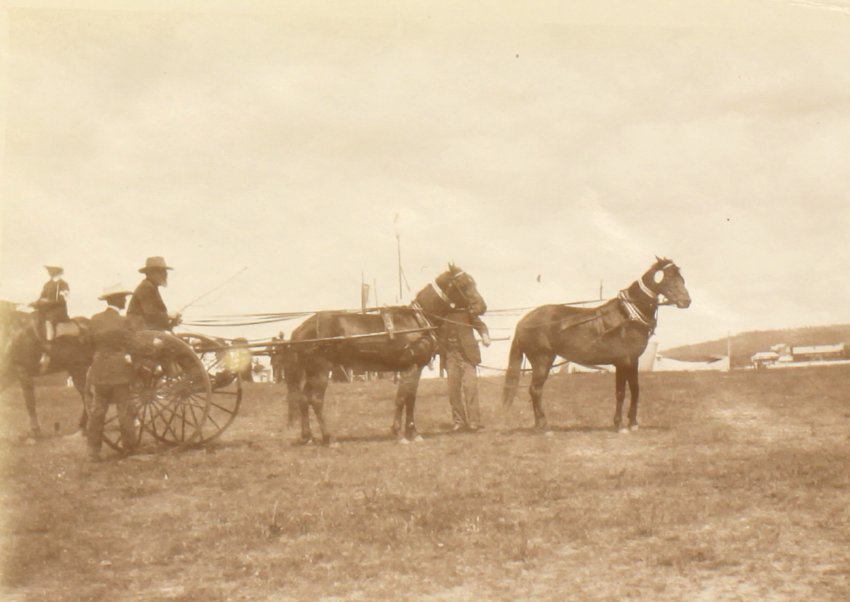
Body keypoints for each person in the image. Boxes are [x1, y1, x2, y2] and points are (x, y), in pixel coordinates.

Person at [86, 284, 137, 462]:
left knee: (98, 411)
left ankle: (93, 451)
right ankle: (129, 449)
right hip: (119, 372)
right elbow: (131, 344)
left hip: (99, 371)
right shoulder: (124, 321)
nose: (125, 300)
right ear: (117, 299)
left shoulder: (94, 320)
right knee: (124, 409)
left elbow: (90, 344)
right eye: (123, 297)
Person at [438, 308, 491, 432]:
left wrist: (485, 335)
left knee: (470, 388)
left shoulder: (465, 310)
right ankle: (459, 422)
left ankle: (474, 423)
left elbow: (480, 325)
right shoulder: (440, 313)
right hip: (450, 355)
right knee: (453, 391)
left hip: (467, 356)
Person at [127, 256, 181, 331]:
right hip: (142, 333)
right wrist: (169, 315)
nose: (165, 275)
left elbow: (156, 320)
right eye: (161, 272)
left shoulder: (151, 287)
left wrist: (172, 323)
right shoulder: (146, 287)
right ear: (150, 273)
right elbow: (151, 314)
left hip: (148, 332)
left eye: (165, 272)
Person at [33, 265, 70, 371]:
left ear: (58, 273)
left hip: (58, 310)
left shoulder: (63, 284)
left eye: (53, 272)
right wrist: (37, 303)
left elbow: (63, 300)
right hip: (46, 309)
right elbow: (42, 297)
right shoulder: (47, 284)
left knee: (49, 321)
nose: (51, 274)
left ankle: (48, 349)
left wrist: (48, 302)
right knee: (35, 317)